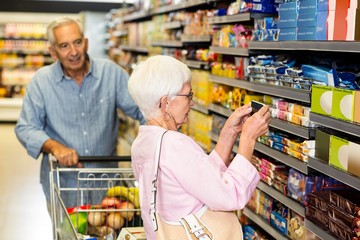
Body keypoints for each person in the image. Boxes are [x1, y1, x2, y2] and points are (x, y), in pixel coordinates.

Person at [128, 55, 271, 239]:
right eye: (188, 95)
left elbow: (198, 180)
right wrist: (248, 138)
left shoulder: (143, 142)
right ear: (165, 103)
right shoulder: (174, 144)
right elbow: (229, 195)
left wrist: (229, 133)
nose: (192, 102)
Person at [14, 17, 145, 210]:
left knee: (107, 232)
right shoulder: (41, 82)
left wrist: (156, 137)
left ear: (86, 43)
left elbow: (141, 108)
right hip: (65, 184)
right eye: (64, 46)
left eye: (77, 42)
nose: (74, 52)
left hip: (105, 182)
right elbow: (25, 128)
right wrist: (55, 147)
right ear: (53, 52)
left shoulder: (110, 73)